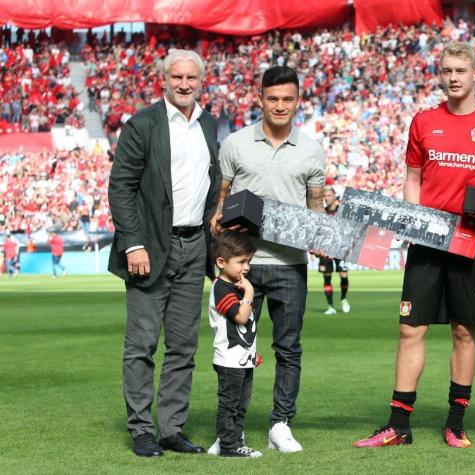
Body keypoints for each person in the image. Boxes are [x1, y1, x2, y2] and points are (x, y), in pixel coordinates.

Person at [353, 42, 475, 449]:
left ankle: (456, 422)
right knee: (410, 328)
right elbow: (412, 177)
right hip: (428, 242)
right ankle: (398, 425)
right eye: (447, 70)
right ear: (440, 74)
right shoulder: (424, 121)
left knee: (464, 331)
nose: (453, 77)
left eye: (461, 70)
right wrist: (414, 220)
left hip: (474, 243)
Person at [108, 49, 221, 458]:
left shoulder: (208, 124)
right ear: (164, 80)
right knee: (141, 345)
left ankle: (172, 429)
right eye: (177, 77)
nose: (184, 84)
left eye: (191, 77)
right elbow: (120, 187)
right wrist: (133, 243)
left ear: (201, 80)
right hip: (151, 247)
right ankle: (141, 430)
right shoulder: (142, 125)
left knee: (183, 346)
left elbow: (212, 187)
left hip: (195, 246)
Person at [212, 65, 325, 454]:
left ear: (298, 101)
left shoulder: (311, 149)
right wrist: (219, 222)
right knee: (236, 351)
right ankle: (232, 430)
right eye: (272, 98)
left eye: (287, 99)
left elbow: (315, 209)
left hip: (290, 265)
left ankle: (281, 424)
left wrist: (321, 238)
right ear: (259, 99)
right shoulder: (235, 144)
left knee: (288, 348)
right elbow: (220, 202)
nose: (280, 106)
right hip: (242, 265)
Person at [206, 231, 263, 458]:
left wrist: (251, 354)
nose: (246, 267)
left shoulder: (235, 285)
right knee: (230, 405)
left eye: (249, 261)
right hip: (229, 361)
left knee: (241, 405)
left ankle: (235, 440)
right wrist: (249, 292)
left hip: (242, 359)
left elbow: (247, 326)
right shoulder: (221, 287)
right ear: (221, 262)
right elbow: (240, 317)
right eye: (241, 262)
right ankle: (229, 446)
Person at [319, 186, 351, 315]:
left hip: (340, 248)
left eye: (328, 195)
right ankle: (331, 306)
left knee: (344, 275)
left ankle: (343, 298)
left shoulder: (342, 211)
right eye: (324, 196)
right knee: (327, 277)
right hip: (325, 249)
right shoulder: (321, 212)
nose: (326, 198)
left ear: (334, 196)